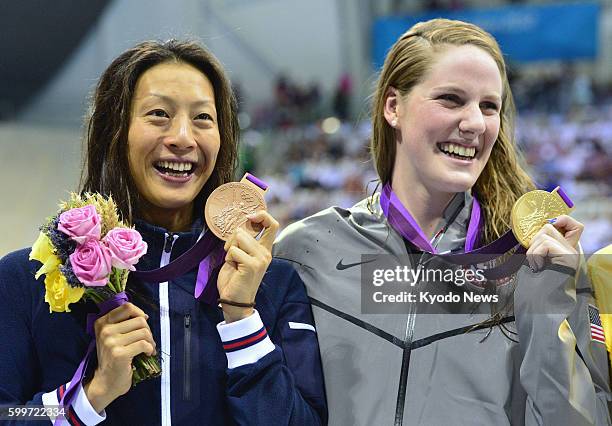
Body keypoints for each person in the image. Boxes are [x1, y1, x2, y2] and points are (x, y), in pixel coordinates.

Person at [274, 19, 611, 425]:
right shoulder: (307, 252)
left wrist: (547, 303)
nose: (474, 123)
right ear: (393, 107)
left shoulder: (539, 262)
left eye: (489, 106)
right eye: (451, 99)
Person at [0, 40, 326, 425]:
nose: (183, 137)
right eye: (159, 114)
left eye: (203, 118)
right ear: (114, 131)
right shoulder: (28, 279)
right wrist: (90, 396)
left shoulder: (274, 284)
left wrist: (242, 322)